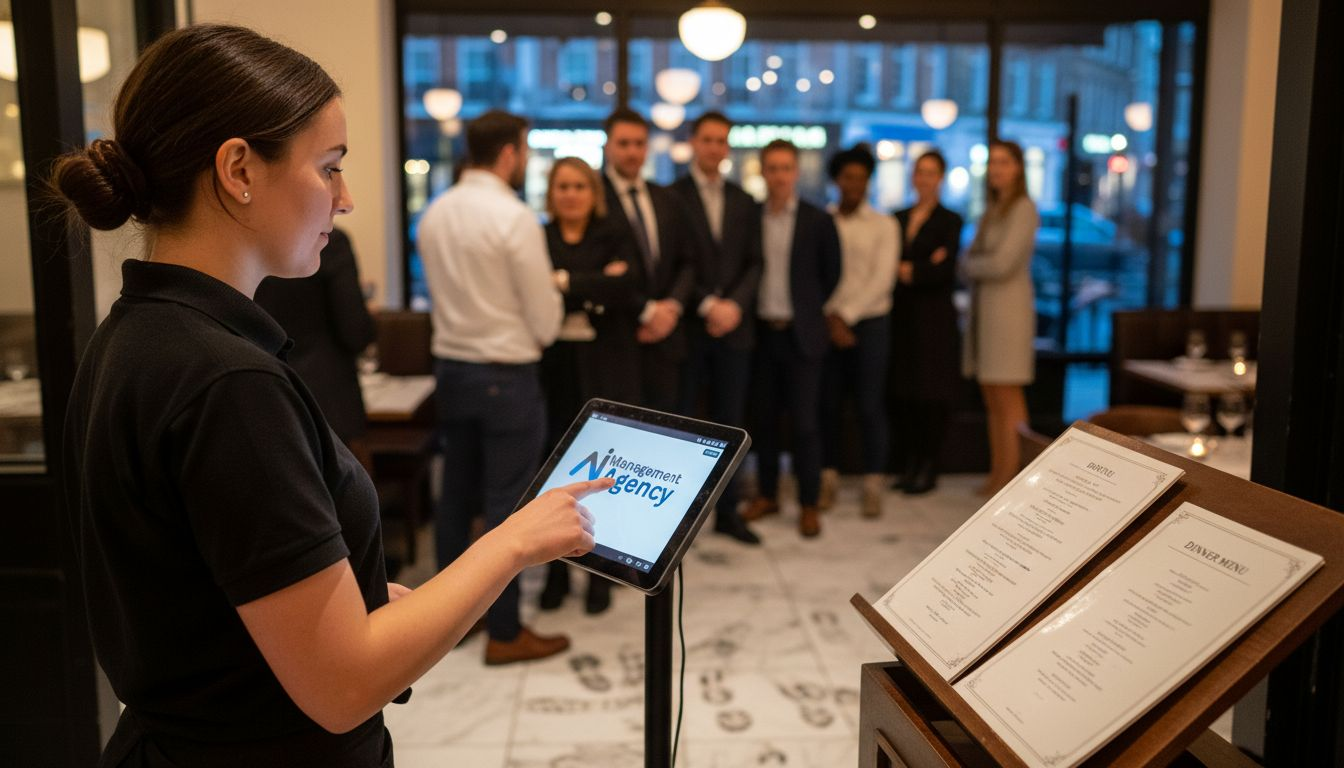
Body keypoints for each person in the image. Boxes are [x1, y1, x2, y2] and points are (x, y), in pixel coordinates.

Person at [54, 25, 605, 766]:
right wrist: (513, 541)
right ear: (239, 169)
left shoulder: (135, 334)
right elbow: (343, 684)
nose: (345, 200)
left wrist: (371, 605)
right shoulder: (228, 382)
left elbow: (205, 605)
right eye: (329, 168)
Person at [417, 109, 576, 664]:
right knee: (509, 506)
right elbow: (545, 320)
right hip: (505, 375)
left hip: (452, 370)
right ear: (509, 153)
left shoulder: (436, 212)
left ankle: (448, 623)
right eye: (524, 150)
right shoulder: (513, 217)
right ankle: (505, 633)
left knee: (455, 498)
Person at [537, 157, 644, 615]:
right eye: (563, 186)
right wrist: (597, 284)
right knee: (554, 467)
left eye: (580, 186)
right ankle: (556, 571)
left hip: (606, 365)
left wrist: (564, 282)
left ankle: (600, 570)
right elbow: (536, 290)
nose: (571, 194)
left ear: (594, 193)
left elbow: (629, 288)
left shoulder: (614, 234)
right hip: (554, 367)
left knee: (601, 469)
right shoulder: (539, 236)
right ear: (551, 193)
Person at [740, 139, 842, 538]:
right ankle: (767, 495)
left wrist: (809, 310)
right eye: (773, 168)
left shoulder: (818, 220)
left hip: (803, 337)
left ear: (796, 172)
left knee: (805, 424)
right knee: (764, 421)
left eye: (786, 168)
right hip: (762, 335)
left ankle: (808, 503)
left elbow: (832, 273)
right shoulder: (750, 217)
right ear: (763, 172)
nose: (779, 175)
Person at [670, 111, 763, 545]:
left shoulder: (744, 200)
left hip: (735, 329)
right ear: (693, 142)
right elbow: (673, 264)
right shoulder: (672, 197)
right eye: (707, 139)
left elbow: (755, 262)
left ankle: (728, 513)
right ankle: (677, 519)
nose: (714, 147)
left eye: (722, 140)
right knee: (684, 425)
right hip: (689, 328)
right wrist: (707, 303)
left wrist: (735, 305)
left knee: (731, 423)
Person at [818, 145, 899, 517]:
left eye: (862, 178)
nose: (855, 184)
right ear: (837, 180)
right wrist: (831, 318)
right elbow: (813, 275)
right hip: (827, 325)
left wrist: (845, 317)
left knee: (869, 405)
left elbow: (882, 281)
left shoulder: (884, 225)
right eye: (848, 177)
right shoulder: (823, 221)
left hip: (870, 326)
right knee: (828, 405)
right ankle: (827, 479)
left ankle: (872, 483)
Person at [601, 108, 698, 413]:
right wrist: (646, 311)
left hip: (666, 337)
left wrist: (671, 307)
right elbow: (596, 269)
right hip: (617, 336)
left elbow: (687, 260)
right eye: (623, 143)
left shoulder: (666, 197)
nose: (632, 152)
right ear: (608, 146)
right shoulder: (594, 198)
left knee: (664, 422)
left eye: (639, 143)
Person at [962, 140, 1039, 495]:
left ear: (1018, 168)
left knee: (1007, 396)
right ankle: (999, 473)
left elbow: (1001, 263)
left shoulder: (1023, 208)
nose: (996, 169)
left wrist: (969, 265)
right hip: (987, 312)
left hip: (1008, 314)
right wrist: (973, 264)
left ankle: (1013, 478)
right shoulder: (994, 209)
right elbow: (978, 259)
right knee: (992, 397)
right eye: (992, 162)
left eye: (1004, 162)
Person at [254, 227, 374, 450]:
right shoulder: (330, 241)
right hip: (329, 397)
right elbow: (355, 331)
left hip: (265, 392)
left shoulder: (249, 239)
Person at [890, 151, 964, 495]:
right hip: (902, 316)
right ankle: (908, 464)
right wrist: (924, 265)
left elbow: (944, 270)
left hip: (935, 319)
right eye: (920, 172)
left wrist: (912, 269)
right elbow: (889, 264)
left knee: (931, 394)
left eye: (931, 172)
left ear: (941, 178)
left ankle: (929, 466)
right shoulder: (898, 217)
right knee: (904, 393)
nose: (924, 178)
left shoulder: (950, 220)